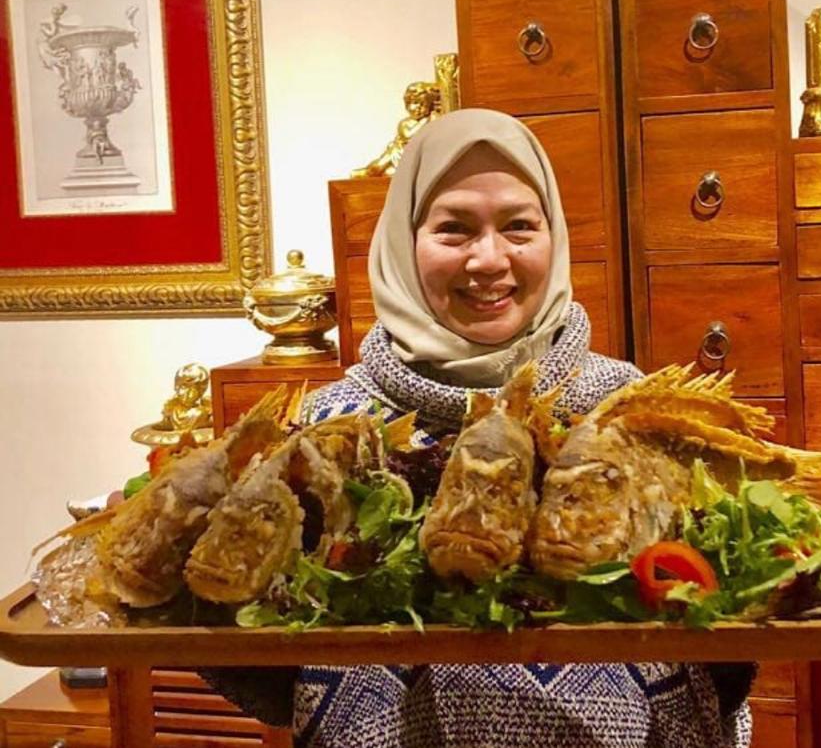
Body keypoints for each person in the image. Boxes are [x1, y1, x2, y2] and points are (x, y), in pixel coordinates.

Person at [206, 108, 754, 748]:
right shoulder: (330, 429)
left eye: (519, 226)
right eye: (454, 229)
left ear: (555, 234)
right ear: (403, 244)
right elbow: (268, 676)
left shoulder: (628, 408)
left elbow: (716, 640)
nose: (489, 260)